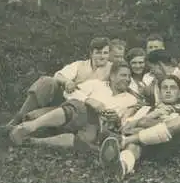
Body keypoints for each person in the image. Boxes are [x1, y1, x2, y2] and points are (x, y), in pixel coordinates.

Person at [8, 61, 140, 147]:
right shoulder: (96, 84)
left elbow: (126, 120)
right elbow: (69, 93)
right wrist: (89, 101)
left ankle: (32, 142)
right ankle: (30, 126)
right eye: (123, 75)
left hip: (96, 126)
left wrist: (116, 119)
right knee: (79, 107)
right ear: (112, 76)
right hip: (73, 114)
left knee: (87, 139)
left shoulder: (131, 99)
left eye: (129, 76)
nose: (127, 79)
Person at [0, 37, 112, 129]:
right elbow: (58, 75)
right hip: (64, 98)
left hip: (80, 109)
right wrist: (67, 81)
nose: (102, 56)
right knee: (47, 81)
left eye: (105, 53)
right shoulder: (80, 65)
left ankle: (20, 127)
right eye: (98, 53)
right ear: (91, 53)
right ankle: (16, 120)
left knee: (33, 117)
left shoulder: (113, 69)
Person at [99, 75, 180, 179]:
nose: (168, 91)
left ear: (179, 94)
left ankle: (124, 141)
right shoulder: (145, 109)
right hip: (144, 148)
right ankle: (121, 167)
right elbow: (126, 129)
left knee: (179, 122)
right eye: (165, 88)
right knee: (134, 144)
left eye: (173, 88)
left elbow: (179, 126)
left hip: (165, 147)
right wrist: (152, 115)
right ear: (159, 92)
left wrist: (144, 122)